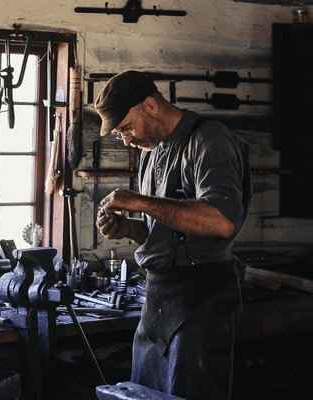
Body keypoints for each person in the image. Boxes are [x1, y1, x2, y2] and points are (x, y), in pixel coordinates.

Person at [94, 70, 252, 400]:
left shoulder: (208, 141)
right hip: (159, 301)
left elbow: (222, 221)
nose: (126, 140)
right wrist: (130, 229)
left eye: (126, 128)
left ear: (150, 105)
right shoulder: (153, 155)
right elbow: (167, 233)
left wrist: (138, 201)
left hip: (201, 299)